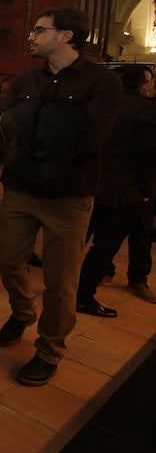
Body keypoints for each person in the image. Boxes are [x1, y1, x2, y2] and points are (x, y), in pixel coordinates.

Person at [0, 8, 122, 387]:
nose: (30, 36)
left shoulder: (100, 82)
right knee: (6, 259)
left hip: (69, 195)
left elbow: (87, 140)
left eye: (38, 29)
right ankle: (22, 310)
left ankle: (48, 351)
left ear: (66, 35)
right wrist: (47, 123)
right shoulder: (26, 78)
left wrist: (30, 121)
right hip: (21, 188)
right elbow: (4, 126)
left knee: (61, 281)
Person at [77, 64, 156, 315]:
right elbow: (147, 157)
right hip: (126, 191)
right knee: (106, 245)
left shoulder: (100, 104)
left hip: (93, 183)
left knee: (86, 239)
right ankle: (82, 294)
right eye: (148, 81)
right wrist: (147, 189)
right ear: (140, 84)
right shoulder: (145, 110)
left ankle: (72, 285)